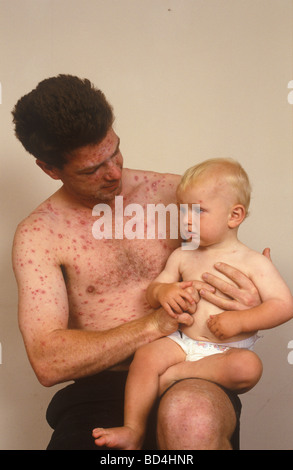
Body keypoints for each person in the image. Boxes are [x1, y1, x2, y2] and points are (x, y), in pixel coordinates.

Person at [12, 75, 267, 450]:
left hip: (191, 371)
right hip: (97, 393)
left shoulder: (172, 194)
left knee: (191, 419)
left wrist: (249, 299)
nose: (114, 172)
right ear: (50, 169)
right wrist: (154, 324)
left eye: (114, 152)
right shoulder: (40, 235)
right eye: (91, 169)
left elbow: (227, 270)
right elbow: (48, 362)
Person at [93, 158, 293, 450]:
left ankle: (176, 375)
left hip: (226, 352)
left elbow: (283, 305)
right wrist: (164, 293)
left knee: (249, 367)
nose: (186, 220)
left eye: (198, 211)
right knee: (146, 356)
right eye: (183, 210)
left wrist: (240, 321)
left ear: (234, 215)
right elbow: (153, 290)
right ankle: (132, 430)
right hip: (182, 342)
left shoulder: (254, 262)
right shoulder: (182, 255)